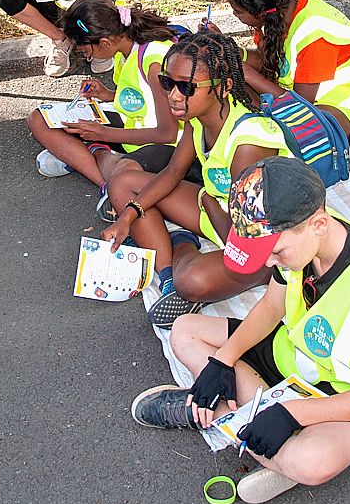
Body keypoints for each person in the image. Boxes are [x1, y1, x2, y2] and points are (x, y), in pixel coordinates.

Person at [128, 157, 350, 504]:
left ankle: (225, 418)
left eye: (275, 251)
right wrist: (222, 361)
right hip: (299, 356)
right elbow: (271, 307)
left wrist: (292, 413)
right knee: (184, 330)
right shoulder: (304, 242)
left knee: (312, 461)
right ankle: (254, 431)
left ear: (319, 225)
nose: (268, 263)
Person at [102, 32, 291, 327]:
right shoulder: (198, 118)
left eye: (187, 87)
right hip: (218, 210)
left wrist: (205, 198)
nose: (174, 96)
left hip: (259, 241)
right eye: (168, 83)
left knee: (192, 280)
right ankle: (167, 275)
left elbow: (238, 237)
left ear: (224, 87)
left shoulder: (250, 142)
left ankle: (195, 252)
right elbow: (174, 171)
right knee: (122, 184)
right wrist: (128, 216)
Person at [29, 0, 180, 197]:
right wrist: (107, 94)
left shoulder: (155, 62)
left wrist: (104, 134)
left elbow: (167, 133)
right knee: (39, 119)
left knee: (125, 172)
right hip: (134, 128)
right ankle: (107, 183)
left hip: (165, 147)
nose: (86, 56)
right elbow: (142, 98)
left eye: (86, 52)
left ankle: (94, 154)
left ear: (105, 42)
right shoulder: (125, 47)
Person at [214, 0, 350, 140]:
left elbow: (300, 109)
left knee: (293, 132)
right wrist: (227, 49)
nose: (234, 15)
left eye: (238, 11)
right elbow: (266, 60)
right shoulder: (277, 6)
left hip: (340, 112)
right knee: (229, 86)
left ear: (259, 11)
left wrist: (248, 74)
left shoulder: (315, 34)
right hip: (300, 98)